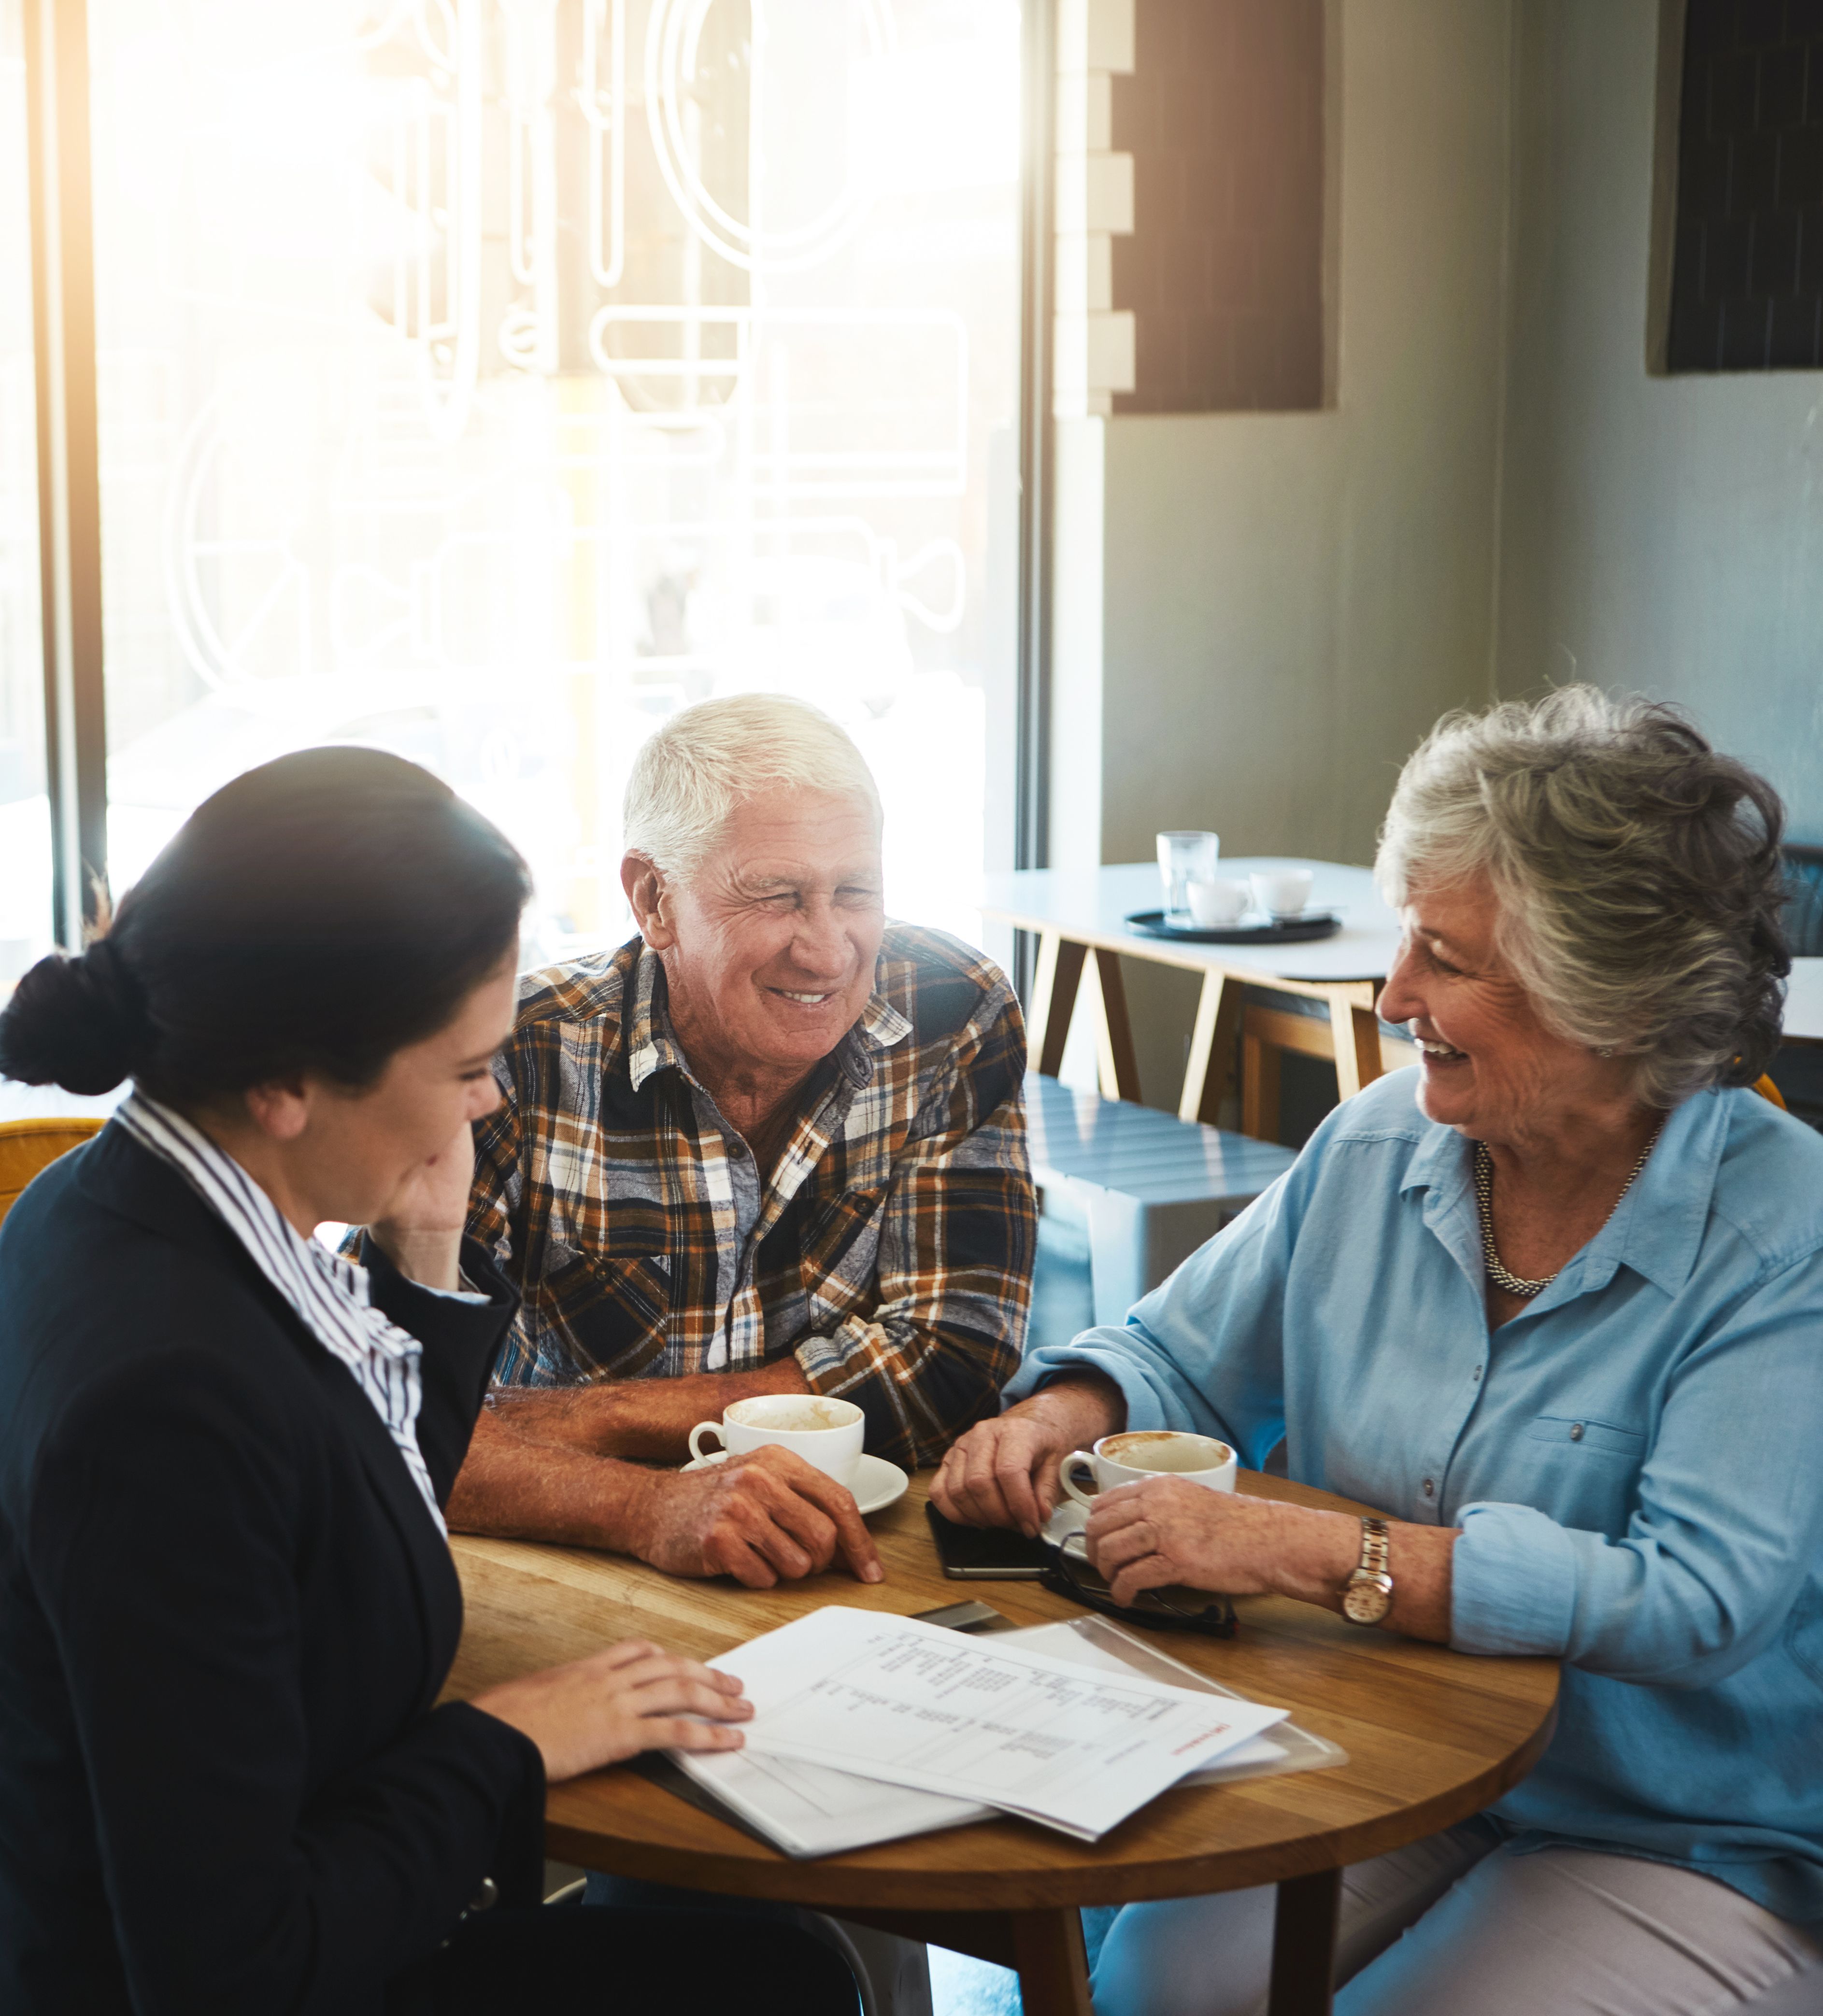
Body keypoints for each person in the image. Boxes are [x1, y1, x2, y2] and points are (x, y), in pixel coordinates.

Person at [932, 687, 1823, 2016]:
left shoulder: (1780, 1231)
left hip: (1677, 1827)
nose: (1393, 992)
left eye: (1443, 957)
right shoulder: (1378, 1142)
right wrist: (1060, 1412)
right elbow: (1175, 1352)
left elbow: (1697, 1599)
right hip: (1394, 1751)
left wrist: (1318, 1555)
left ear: (1608, 1001)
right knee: (1159, 1990)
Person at [0, 748, 858, 2016]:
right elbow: (232, 1967)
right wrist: (508, 1742)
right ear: (287, 1084)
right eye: (464, 1070)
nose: (491, 1098)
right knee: (777, 1986)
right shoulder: (170, 1405)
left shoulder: (100, 1203)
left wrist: (427, 1258)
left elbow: (354, 1513)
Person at [439, 694, 1037, 1590]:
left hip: (858, 1553)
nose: (828, 951)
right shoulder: (513, 1054)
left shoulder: (953, 1010)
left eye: (855, 892)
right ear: (654, 900)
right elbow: (379, 1408)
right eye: (776, 896)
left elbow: (955, 1358)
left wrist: (589, 1418)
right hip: (564, 1552)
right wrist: (645, 1505)